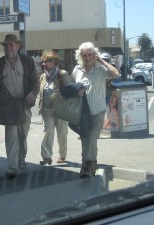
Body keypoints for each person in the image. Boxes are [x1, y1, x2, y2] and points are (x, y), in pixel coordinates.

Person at [61, 42, 119, 178]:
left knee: (91, 138)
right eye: (84, 55)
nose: (87, 58)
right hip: (82, 112)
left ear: (95, 55)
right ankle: (88, 163)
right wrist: (77, 91)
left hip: (97, 112)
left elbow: (115, 74)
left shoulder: (101, 69)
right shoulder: (77, 69)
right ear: (81, 56)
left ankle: (87, 167)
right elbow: (71, 86)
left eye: (90, 55)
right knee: (85, 138)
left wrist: (101, 60)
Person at [0, 34, 39, 178]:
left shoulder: (27, 61)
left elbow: (35, 81)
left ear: (18, 46)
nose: (9, 47)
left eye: (12, 45)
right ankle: (12, 166)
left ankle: (21, 158)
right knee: (11, 135)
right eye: (6, 45)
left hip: (24, 104)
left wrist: (34, 93)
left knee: (22, 134)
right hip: (8, 106)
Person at [38, 51, 70, 165]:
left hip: (61, 110)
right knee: (48, 131)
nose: (44, 63)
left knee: (62, 133)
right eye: (43, 61)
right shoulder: (42, 76)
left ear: (54, 62)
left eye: (47, 61)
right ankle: (46, 156)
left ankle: (62, 155)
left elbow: (70, 89)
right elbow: (40, 92)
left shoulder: (62, 74)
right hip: (47, 110)